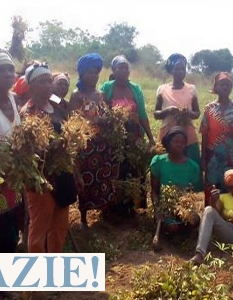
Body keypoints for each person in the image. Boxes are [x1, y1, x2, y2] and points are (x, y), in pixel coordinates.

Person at [21, 62, 80, 253]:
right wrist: (50, 147)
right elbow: (26, 149)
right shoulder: (27, 113)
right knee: (39, 230)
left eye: (49, 81)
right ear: (30, 85)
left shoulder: (57, 106)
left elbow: (68, 131)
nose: (48, 86)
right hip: (41, 178)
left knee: (59, 228)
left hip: (62, 174)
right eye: (42, 82)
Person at [69, 53, 120, 227]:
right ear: (82, 74)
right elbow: (72, 120)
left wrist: (109, 120)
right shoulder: (77, 95)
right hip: (86, 145)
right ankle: (83, 217)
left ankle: (104, 212)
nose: (94, 76)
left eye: (96, 72)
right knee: (87, 178)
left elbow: (106, 114)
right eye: (90, 72)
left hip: (103, 144)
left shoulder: (101, 94)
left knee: (104, 177)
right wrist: (94, 121)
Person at [100, 55, 155, 212]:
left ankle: (133, 205)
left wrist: (150, 138)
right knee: (116, 168)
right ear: (114, 70)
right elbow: (102, 111)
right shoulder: (107, 88)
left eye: (126, 68)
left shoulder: (136, 89)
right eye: (120, 68)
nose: (124, 71)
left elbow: (143, 114)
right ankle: (114, 206)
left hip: (134, 134)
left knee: (134, 167)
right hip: (115, 136)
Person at [150, 126, 203, 248]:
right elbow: (154, 190)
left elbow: (196, 193)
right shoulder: (158, 162)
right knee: (172, 227)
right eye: (176, 142)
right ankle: (169, 227)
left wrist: (188, 207)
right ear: (168, 143)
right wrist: (157, 208)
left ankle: (182, 228)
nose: (179, 145)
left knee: (194, 221)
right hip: (165, 206)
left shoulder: (193, 167)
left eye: (182, 142)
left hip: (183, 205)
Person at [201, 72, 233, 194]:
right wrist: (203, 157)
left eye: (228, 85)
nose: (225, 87)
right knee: (213, 188)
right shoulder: (209, 108)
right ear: (215, 87)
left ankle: (231, 213)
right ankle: (211, 212)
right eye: (222, 84)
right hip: (213, 156)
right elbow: (204, 134)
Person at [154, 53, 201, 166]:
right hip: (168, 133)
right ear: (171, 70)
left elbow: (197, 113)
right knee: (166, 164)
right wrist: (168, 110)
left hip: (187, 133)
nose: (180, 72)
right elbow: (156, 114)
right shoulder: (162, 89)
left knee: (191, 164)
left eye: (183, 69)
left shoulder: (191, 89)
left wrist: (188, 113)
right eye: (177, 69)